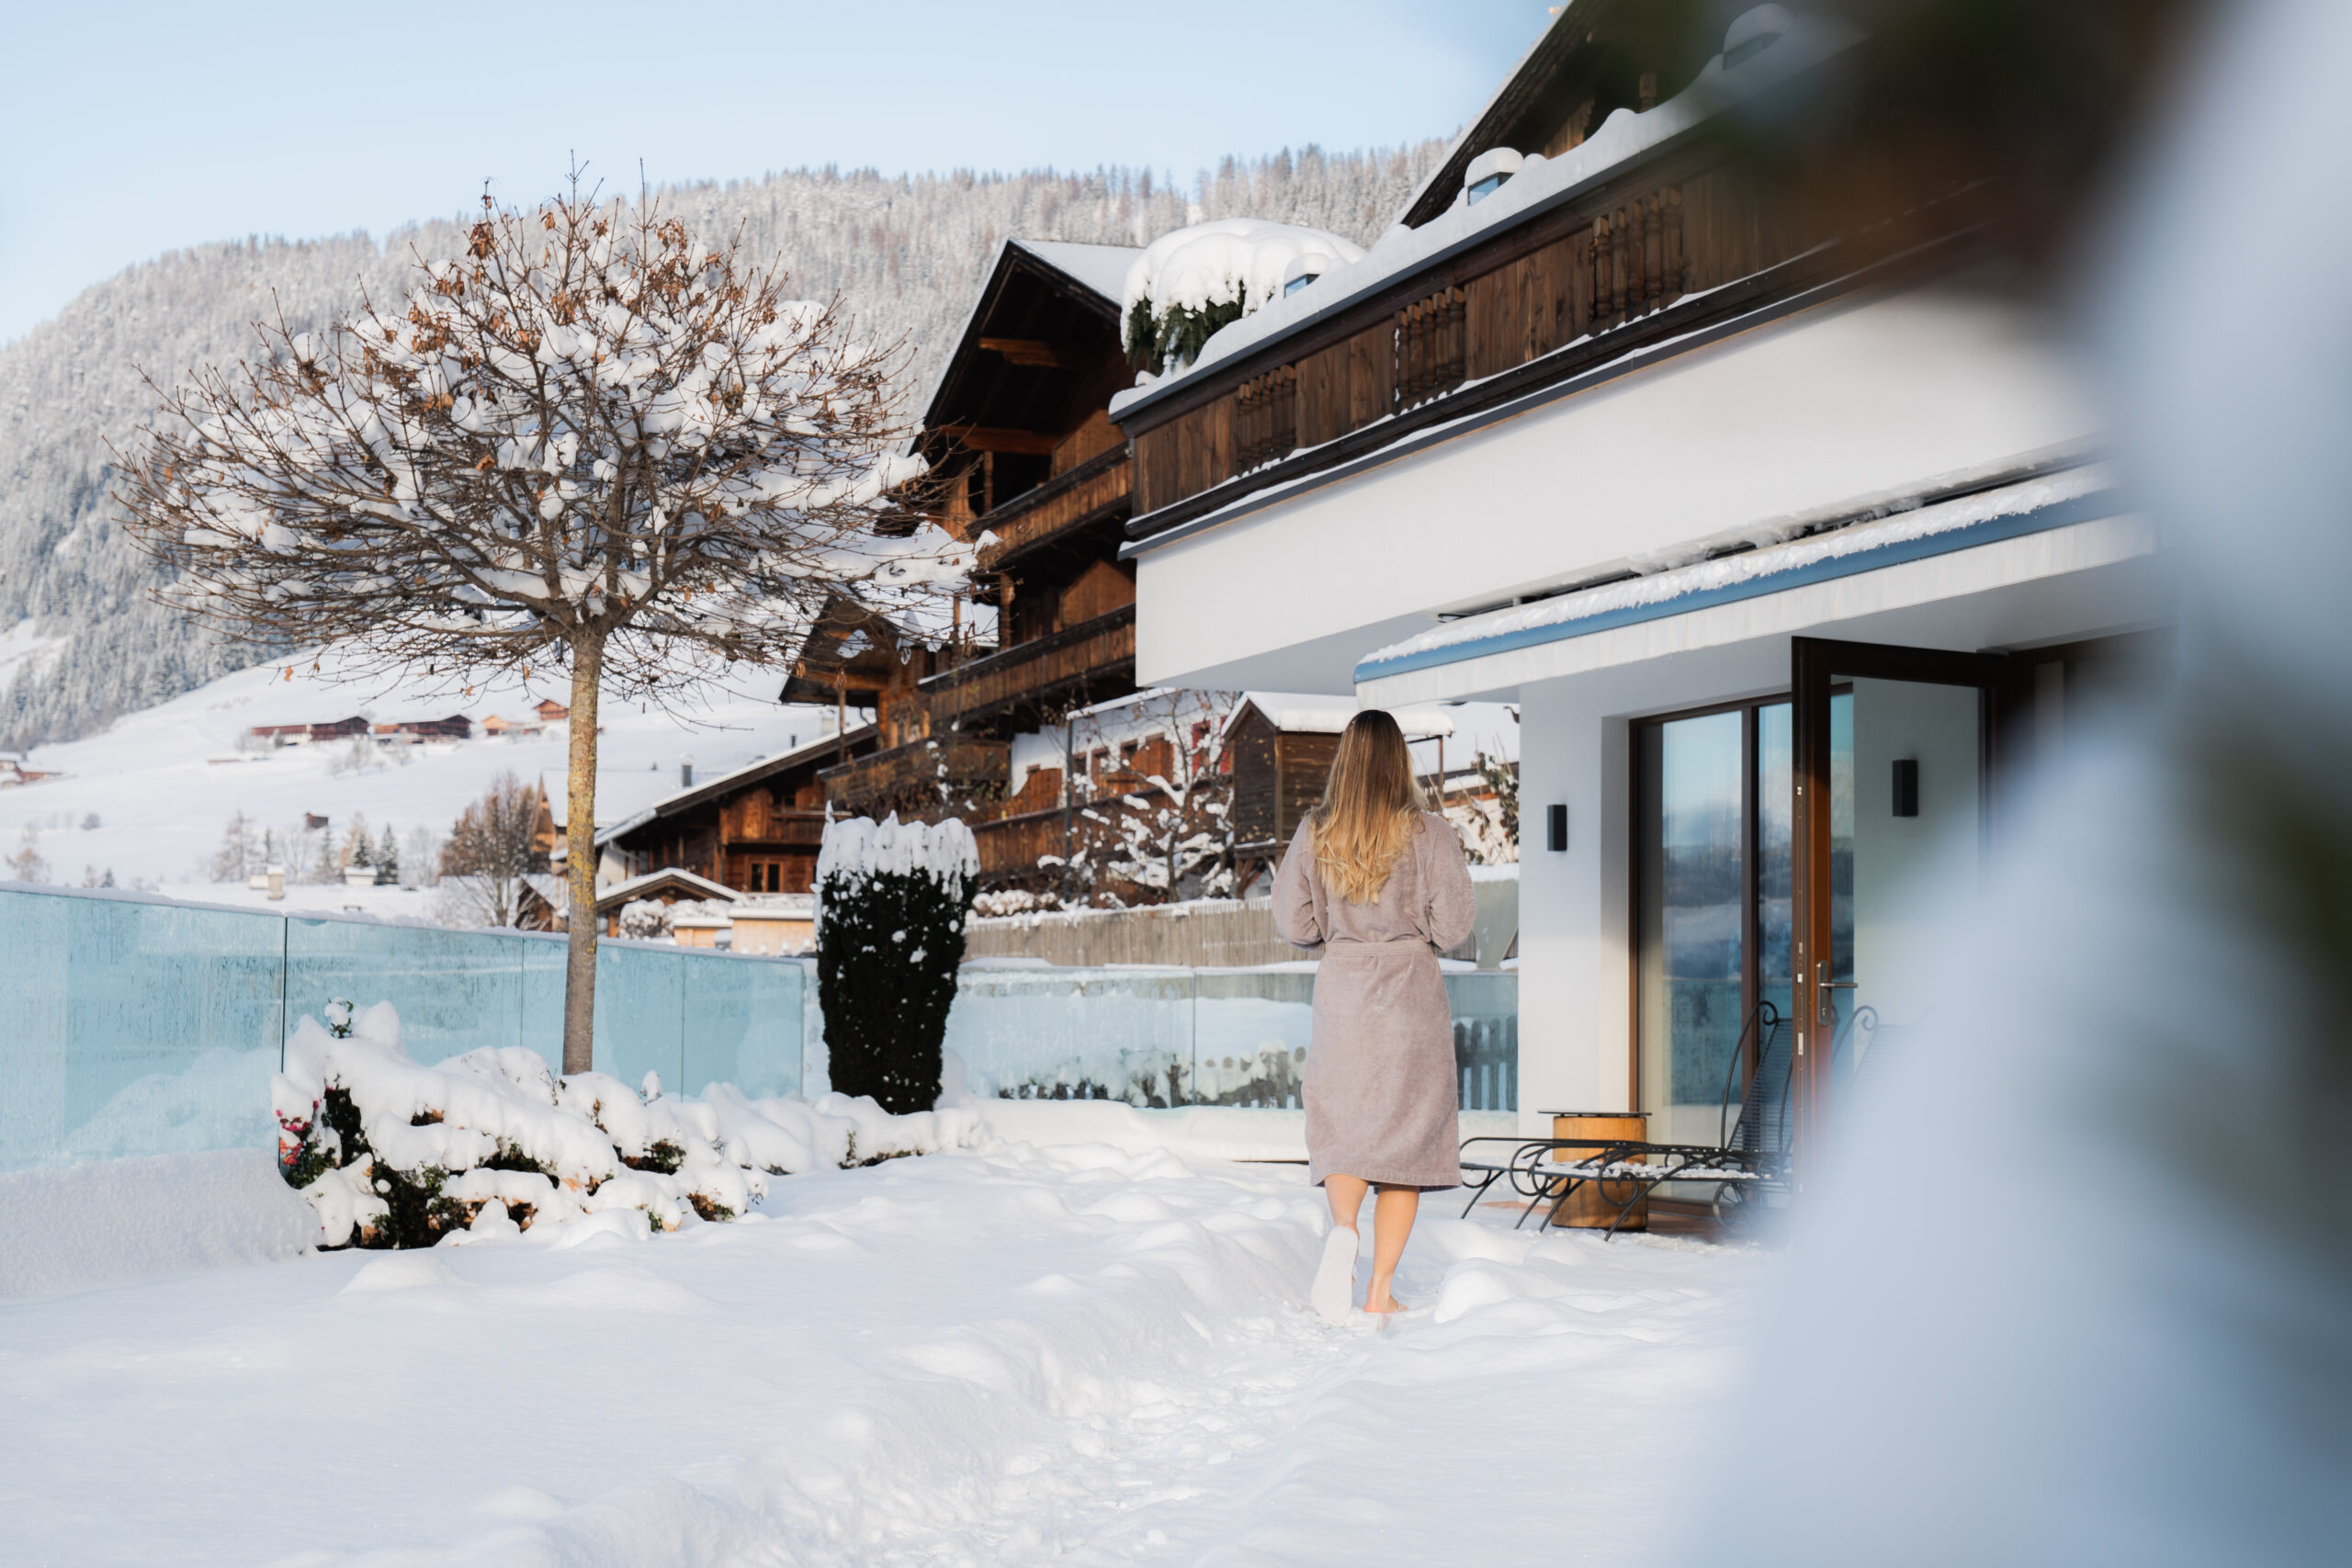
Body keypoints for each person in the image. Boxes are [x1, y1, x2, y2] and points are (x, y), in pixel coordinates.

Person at [1273, 709, 1476, 1321]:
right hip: (1408, 997)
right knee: (1403, 1145)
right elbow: (1455, 924)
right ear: (1399, 760)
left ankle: (1344, 1228)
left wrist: (1339, 934)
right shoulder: (1428, 832)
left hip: (1343, 994)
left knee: (1346, 1133)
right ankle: (1380, 1289)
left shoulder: (1315, 831)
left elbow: (1293, 921)